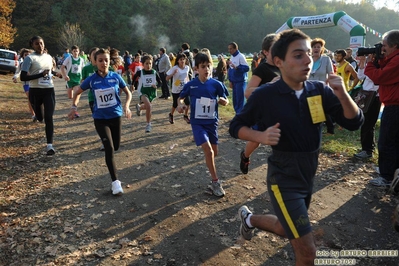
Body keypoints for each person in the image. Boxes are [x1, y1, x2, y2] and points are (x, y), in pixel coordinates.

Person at [229, 29, 363, 265]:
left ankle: (248, 219)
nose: (308, 60)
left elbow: (353, 123)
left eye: (309, 54)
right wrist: (260, 135)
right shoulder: (266, 95)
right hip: (283, 176)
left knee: (284, 226)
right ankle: (250, 220)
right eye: (298, 55)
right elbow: (236, 126)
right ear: (279, 62)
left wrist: (342, 94)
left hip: (308, 172)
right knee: (308, 252)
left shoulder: (319, 90)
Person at [68, 48, 132, 195]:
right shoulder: (92, 79)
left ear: (110, 62)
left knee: (115, 146)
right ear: (95, 62)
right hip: (100, 119)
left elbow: (128, 93)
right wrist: (73, 107)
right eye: (100, 60)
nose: (104, 63)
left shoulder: (115, 77)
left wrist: (127, 106)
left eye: (106, 60)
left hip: (116, 116)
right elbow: (77, 92)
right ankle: (116, 183)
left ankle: (115, 179)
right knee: (109, 148)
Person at [177, 52, 229, 197]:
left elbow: (225, 98)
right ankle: (215, 182)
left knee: (214, 152)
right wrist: (180, 105)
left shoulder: (216, 84)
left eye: (208, 66)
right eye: (203, 66)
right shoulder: (191, 85)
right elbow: (180, 98)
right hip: (197, 123)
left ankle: (211, 169)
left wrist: (225, 102)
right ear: (196, 69)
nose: (206, 69)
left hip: (212, 123)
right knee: (209, 151)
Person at [239, 33, 280, 175]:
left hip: (280, 111)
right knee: (256, 141)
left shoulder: (284, 67)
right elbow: (248, 92)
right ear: (266, 52)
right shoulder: (262, 69)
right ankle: (245, 156)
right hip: (262, 112)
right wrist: (269, 85)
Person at [365, 29, 399, 192]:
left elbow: (380, 77)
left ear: (395, 46)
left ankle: (386, 177)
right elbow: (386, 68)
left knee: (386, 141)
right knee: (394, 141)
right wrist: (379, 58)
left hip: (395, 107)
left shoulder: (398, 60)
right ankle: (391, 172)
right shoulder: (394, 58)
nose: (382, 48)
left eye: (384, 45)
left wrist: (371, 63)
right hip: (393, 105)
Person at [20, 36, 63, 155]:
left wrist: (56, 73)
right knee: (40, 117)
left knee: (49, 117)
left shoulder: (49, 57)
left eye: (41, 43)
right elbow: (23, 77)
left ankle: (50, 146)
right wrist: (39, 75)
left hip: (49, 90)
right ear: (32, 45)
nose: (40, 46)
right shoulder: (29, 58)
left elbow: (48, 71)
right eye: (37, 44)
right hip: (35, 91)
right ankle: (38, 116)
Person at [353, 55, 380, 159]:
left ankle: (368, 150)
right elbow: (360, 77)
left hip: (375, 97)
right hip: (366, 96)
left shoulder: (381, 65)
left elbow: (376, 79)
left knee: (369, 124)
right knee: (364, 123)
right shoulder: (370, 65)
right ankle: (366, 148)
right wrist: (363, 62)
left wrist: (371, 64)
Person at [309, 38, 335, 135]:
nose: (316, 49)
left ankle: (329, 129)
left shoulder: (325, 59)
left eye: (318, 47)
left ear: (322, 48)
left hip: (321, 88)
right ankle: (314, 129)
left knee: (321, 109)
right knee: (311, 109)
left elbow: (331, 73)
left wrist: (327, 85)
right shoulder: (308, 59)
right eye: (314, 47)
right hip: (308, 87)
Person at [133, 55, 162, 133]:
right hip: (143, 91)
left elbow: (160, 83)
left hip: (151, 92)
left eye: (150, 63)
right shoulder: (140, 72)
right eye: (146, 63)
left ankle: (139, 107)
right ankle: (148, 124)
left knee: (147, 107)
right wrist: (132, 85)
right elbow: (134, 77)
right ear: (143, 64)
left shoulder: (154, 72)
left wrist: (156, 86)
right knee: (149, 106)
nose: (148, 65)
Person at [61, 45, 85, 118]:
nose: (75, 52)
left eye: (77, 51)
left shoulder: (81, 60)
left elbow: (83, 69)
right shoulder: (69, 58)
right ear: (72, 52)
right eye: (74, 51)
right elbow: (62, 67)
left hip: (78, 79)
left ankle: (74, 110)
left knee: (76, 94)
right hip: (70, 79)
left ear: (79, 51)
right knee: (70, 96)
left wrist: (83, 78)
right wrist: (65, 76)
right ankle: (68, 88)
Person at [166, 53, 191, 124]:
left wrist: (188, 84)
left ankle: (185, 116)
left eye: (184, 59)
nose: (182, 61)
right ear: (178, 61)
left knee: (188, 102)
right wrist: (173, 73)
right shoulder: (175, 68)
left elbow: (187, 77)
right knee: (175, 104)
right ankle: (171, 114)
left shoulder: (187, 67)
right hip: (176, 88)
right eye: (181, 59)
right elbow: (167, 78)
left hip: (184, 88)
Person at [12, 48, 36, 121]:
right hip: (26, 84)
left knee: (36, 99)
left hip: (34, 84)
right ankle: (33, 115)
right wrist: (15, 77)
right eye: (25, 55)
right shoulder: (21, 64)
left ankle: (39, 112)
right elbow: (18, 72)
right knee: (30, 98)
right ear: (23, 56)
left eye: (29, 54)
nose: (27, 56)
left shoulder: (34, 64)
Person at [227, 42, 249, 113]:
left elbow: (246, 68)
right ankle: (237, 114)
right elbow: (231, 69)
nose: (229, 51)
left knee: (240, 100)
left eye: (231, 49)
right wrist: (230, 80)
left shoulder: (240, 56)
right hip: (234, 81)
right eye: (229, 49)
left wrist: (238, 68)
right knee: (235, 100)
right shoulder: (232, 57)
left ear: (235, 48)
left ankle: (241, 115)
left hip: (240, 81)